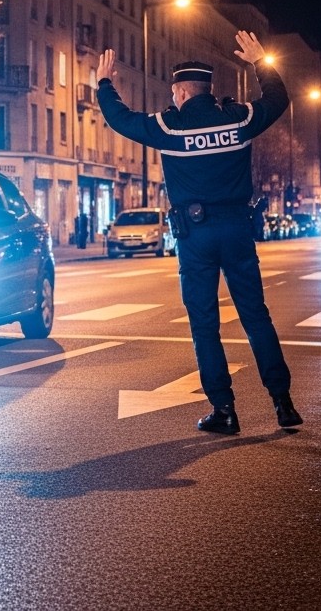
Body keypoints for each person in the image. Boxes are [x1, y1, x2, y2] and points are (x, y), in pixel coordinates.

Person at [95, 30, 302, 434]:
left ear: (182, 92)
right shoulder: (238, 119)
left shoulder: (168, 127)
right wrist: (262, 62)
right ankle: (283, 403)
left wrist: (105, 84)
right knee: (255, 316)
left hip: (195, 234)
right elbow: (277, 101)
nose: (173, 99)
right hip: (237, 229)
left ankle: (224, 410)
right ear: (208, 89)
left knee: (204, 323)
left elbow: (120, 118)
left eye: (175, 93)